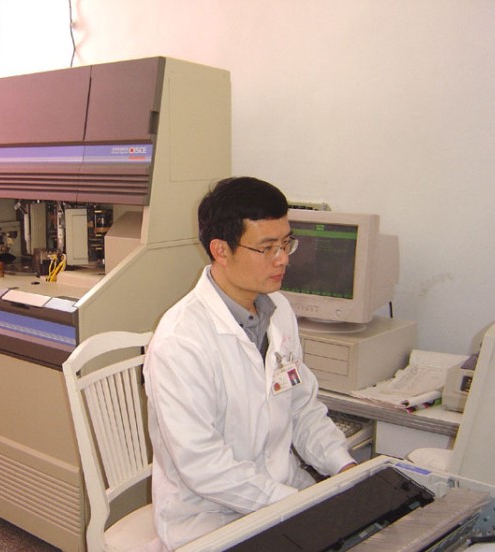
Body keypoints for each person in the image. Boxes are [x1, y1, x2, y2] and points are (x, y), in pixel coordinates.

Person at [143, 176, 356, 550]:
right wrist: (295, 504)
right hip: (210, 516)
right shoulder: (181, 341)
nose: (283, 258)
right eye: (267, 248)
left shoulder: (278, 310)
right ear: (221, 251)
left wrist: (344, 466)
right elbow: (204, 467)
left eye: (286, 243)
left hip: (280, 493)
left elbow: (302, 408)